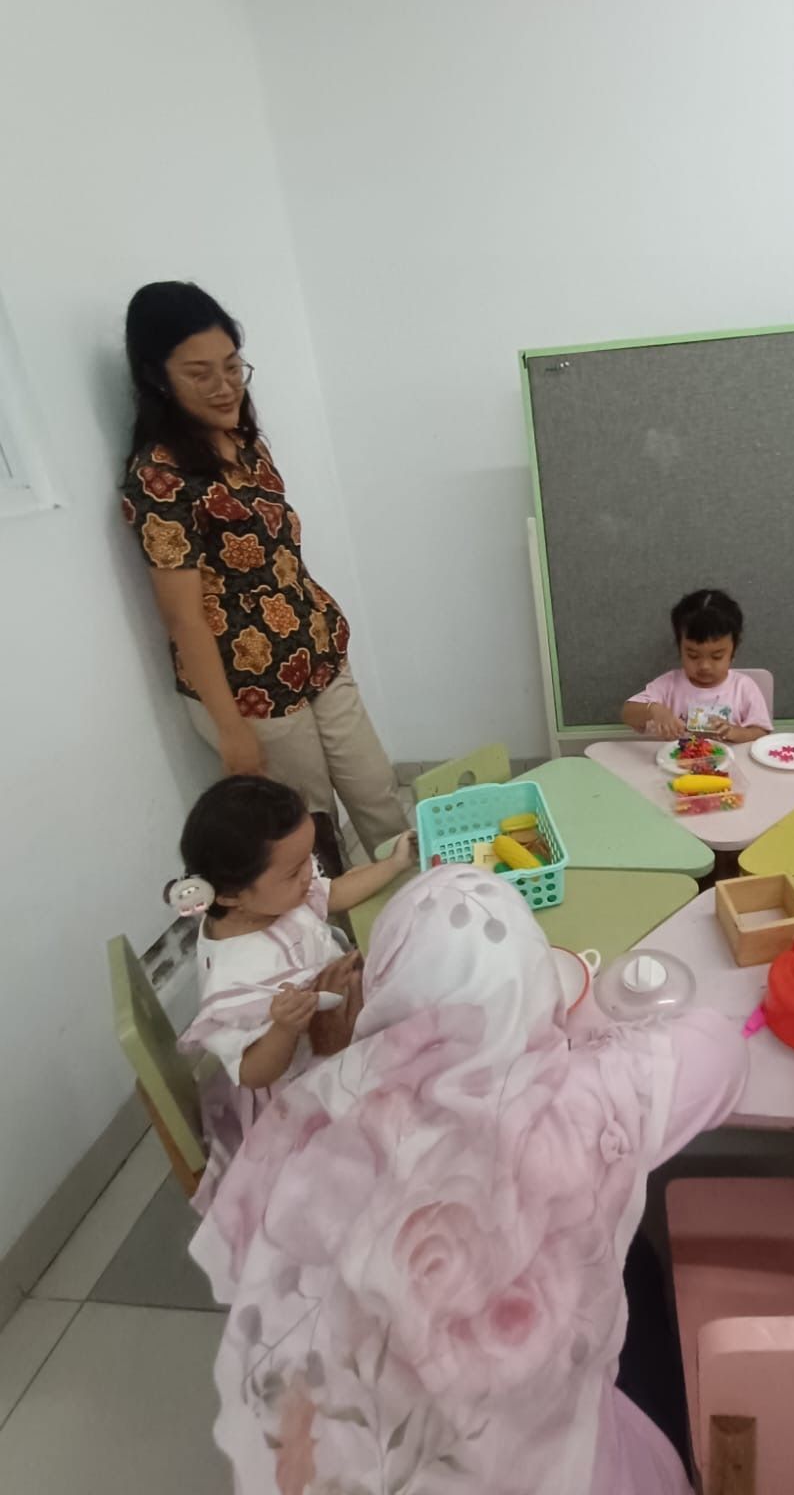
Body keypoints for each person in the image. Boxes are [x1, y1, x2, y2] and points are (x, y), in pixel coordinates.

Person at [190, 863, 748, 1495]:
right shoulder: (582, 1100)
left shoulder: (328, 1106)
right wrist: (582, 1041)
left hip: (361, 1455)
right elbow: (721, 1049)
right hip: (550, 1467)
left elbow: (259, 1254)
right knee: (639, 1269)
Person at [121, 280, 409, 857]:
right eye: (200, 374)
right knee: (308, 833)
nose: (225, 387)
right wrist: (232, 732)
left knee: (379, 796)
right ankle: (340, 946)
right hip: (251, 690)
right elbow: (183, 620)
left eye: (232, 366)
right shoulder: (160, 476)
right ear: (157, 377)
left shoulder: (245, 442)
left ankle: (420, 915)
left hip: (318, 650)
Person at [177, 775, 416, 1208]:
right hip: (303, 1087)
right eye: (295, 869)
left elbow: (335, 892)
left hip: (340, 1027)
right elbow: (253, 1073)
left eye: (309, 859)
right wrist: (285, 1027)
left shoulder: (277, 898)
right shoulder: (234, 983)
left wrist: (395, 865)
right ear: (230, 895)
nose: (310, 874)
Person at [622, 588, 771, 742]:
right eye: (693, 655)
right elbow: (627, 713)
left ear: (733, 651)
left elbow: (761, 732)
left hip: (729, 763)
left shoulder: (743, 687)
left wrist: (735, 732)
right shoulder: (669, 685)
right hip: (677, 763)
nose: (704, 666)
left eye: (717, 656)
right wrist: (654, 710)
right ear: (680, 648)